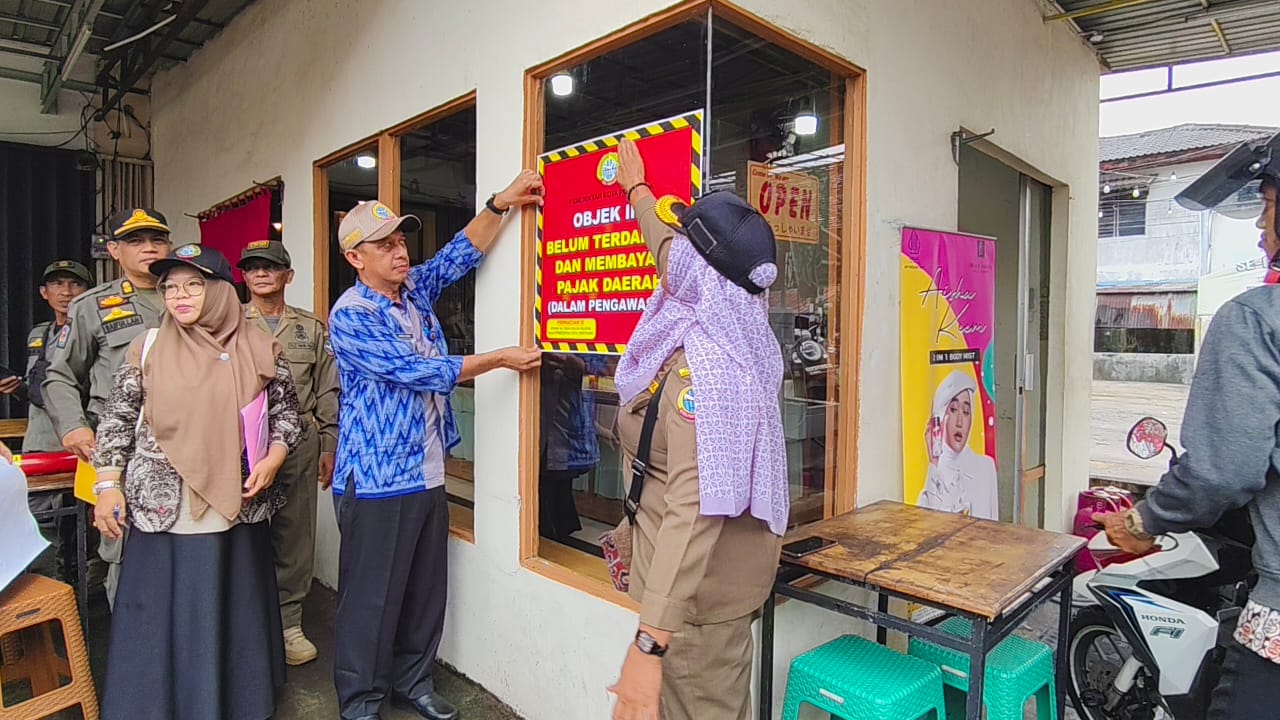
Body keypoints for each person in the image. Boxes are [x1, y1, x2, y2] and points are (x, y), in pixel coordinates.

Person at [327, 174, 543, 720]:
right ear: (356, 257)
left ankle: (413, 683)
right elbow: (417, 371)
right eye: (385, 246)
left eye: (401, 242)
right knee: (371, 598)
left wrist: (501, 204)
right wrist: (497, 360)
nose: (400, 253)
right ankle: (361, 700)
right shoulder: (351, 315)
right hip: (376, 478)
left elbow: (457, 255)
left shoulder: (412, 292)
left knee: (424, 591)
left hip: (425, 472)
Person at [1095, 130, 1280, 719]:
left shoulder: (1256, 319)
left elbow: (1223, 469)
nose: (1260, 226)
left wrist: (1146, 519)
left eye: (1268, 205)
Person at [608, 138, 788, 720]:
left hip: (695, 610)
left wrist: (650, 641)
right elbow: (666, 246)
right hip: (691, 598)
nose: (671, 254)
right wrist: (636, 187)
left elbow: (697, 504)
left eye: (684, 247)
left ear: (697, 270)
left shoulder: (712, 373)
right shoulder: (726, 311)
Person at [91, 244, 301, 720]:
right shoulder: (147, 347)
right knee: (165, 609)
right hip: (166, 507)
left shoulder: (261, 347)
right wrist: (107, 486)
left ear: (221, 291)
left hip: (239, 503)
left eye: (193, 285)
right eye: (170, 288)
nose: (179, 296)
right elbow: (117, 420)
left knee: (229, 605)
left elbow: (288, 413)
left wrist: (275, 454)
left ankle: (232, 701)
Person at [43, 209, 171, 608]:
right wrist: (75, 427)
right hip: (122, 447)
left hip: (185, 442)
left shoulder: (191, 294)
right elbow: (60, 375)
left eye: (157, 239)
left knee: (182, 546)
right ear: (114, 250)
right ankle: (133, 655)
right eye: (135, 241)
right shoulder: (92, 306)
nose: (149, 248)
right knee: (125, 548)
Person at [237, 239, 339, 666]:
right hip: (240, 446)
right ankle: (244, 621)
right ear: (243, 276)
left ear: (287, 276)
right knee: (241, 531)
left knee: (295, 534)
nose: (261, 274)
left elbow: (329, 389)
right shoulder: (228, 323)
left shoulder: (311, 328)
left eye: (271, 267)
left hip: (298, 442)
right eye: (253, 267)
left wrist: (329, 442)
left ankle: (289, 621)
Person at [0, 261, 93, 577]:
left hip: (81, 441)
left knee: (84, 523)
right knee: (40, 520)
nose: (66, 292)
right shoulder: (39, 333)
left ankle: (76, 590)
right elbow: (40, 390)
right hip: (41, 440)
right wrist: (18, 389)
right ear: (44, 292)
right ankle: (45, 587)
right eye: (57, 284)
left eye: (75, 285)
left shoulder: (92, 331)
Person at [916, 370, 998, 520]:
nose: (960, 422)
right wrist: (934, 463)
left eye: (966, 412)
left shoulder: (985, 468)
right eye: (953, 410)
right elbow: (929, 528)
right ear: (940, 417)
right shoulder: (930, 483)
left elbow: (994, 529)